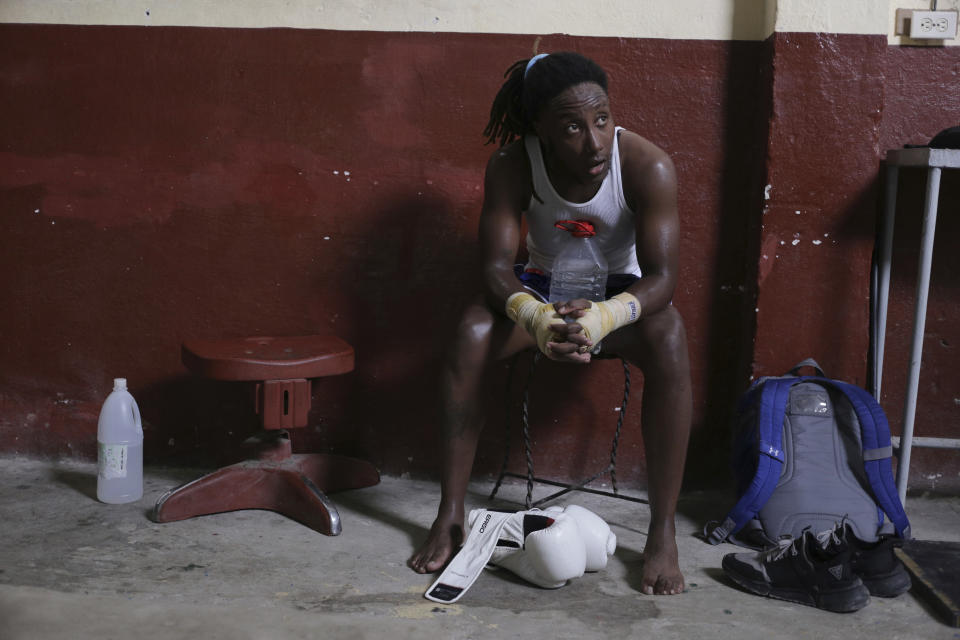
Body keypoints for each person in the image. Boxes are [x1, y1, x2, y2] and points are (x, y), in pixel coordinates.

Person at [408, 51, 692, 596]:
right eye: (571, 127)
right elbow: (494, 268)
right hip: (539, 288)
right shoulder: (512, 165)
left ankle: (662, 531)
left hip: (616, 293)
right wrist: (536, 317)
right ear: (539, 127)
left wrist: (607, 315)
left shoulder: (647, 165)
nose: (594, 142)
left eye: (602, 119)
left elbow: (662, 280)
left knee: (671, 335)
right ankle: (450, 514)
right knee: (470, 334)